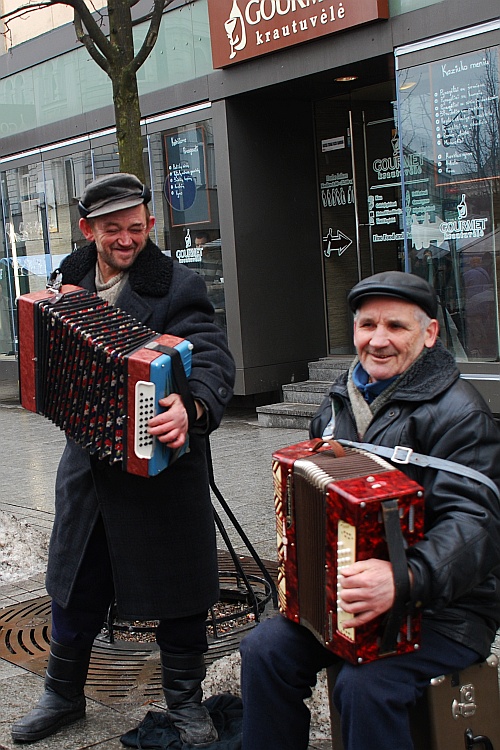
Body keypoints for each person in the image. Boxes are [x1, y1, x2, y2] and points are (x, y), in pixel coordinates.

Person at [12, 174, 236, 747]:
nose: (127, 239)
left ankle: (184, 701)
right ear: (88, 229)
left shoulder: (178, 284)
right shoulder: (68, 280)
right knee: (74, 585)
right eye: (112, 229)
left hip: (164, 464)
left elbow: (211, 354)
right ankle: (62, 695)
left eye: (136, 227)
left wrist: (191, 405)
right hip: (90, 465)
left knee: (180, 592)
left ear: (150, 224)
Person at [240, 270, 500, 750]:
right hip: (346, 602)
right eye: (367, 325)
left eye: (396, 326)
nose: (378, 341)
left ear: (430, 333)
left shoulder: (462, 414)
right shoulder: (339, 401)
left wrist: (404, 577)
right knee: (264, 650)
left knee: (365, 686)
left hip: (444, 610)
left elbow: (476, 526)